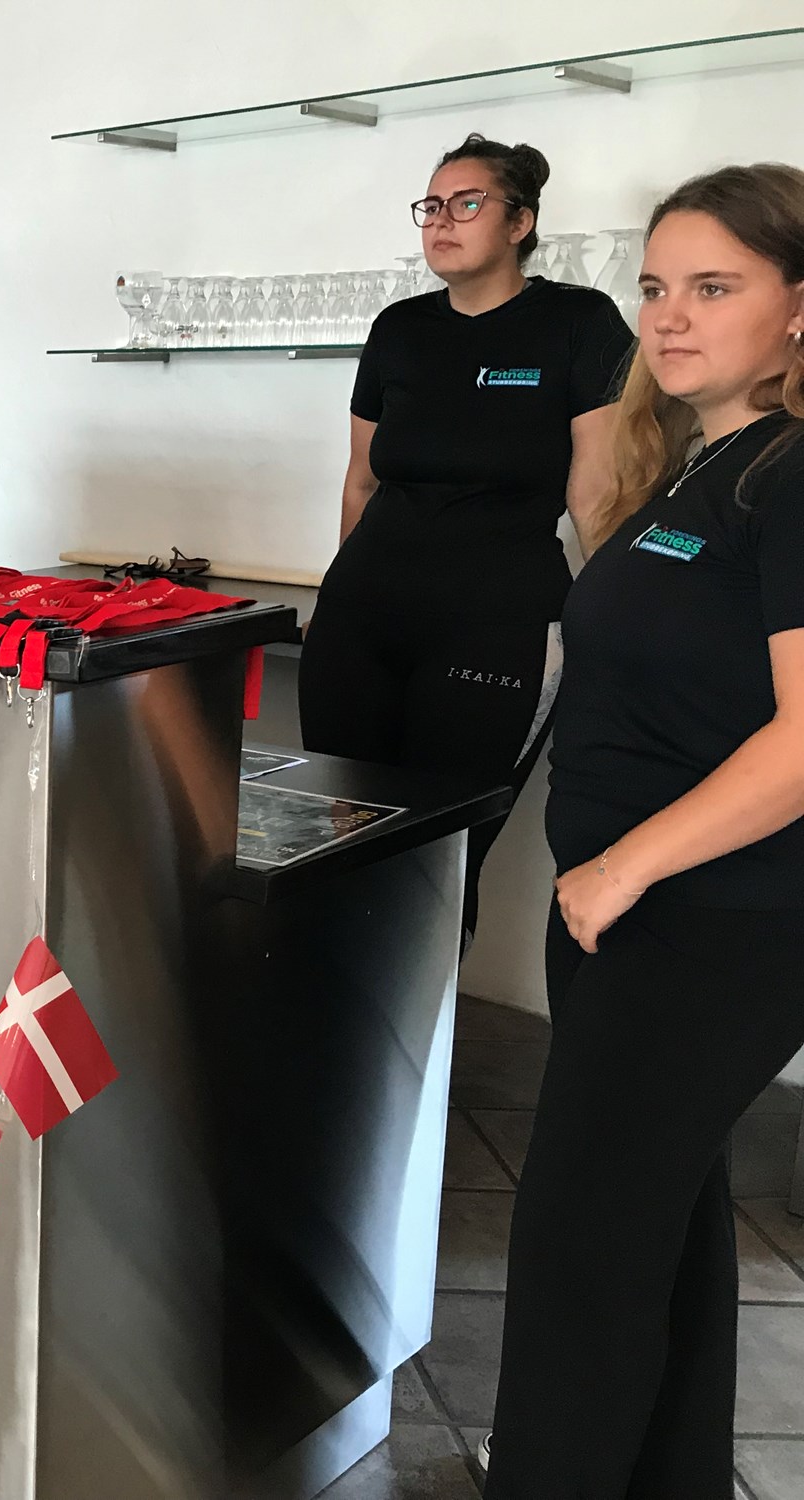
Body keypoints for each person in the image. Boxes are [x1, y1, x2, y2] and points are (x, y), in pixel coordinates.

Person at [482, 164, 804, 1498]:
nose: (669, 317)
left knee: (581, 1255)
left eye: (713, 287)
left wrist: (623, 867)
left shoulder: (792, 477)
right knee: (658, 1232)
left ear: (798, 307)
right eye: (657, 286)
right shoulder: (707, 465)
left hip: (707, 923)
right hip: (635, 913)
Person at [298, 134, 633, 945]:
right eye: (432, 206)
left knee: (441, 852)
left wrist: (622, 628)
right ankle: (339, 1023)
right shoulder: (399, 329)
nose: (442, 220)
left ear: (520, 222)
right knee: (342, 837)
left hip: (497, 624)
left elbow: (597, 493)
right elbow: (360, 481)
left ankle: (424, 1029)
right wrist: (341, 596)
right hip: (360, 620)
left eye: (467, 203)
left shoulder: (578, 322)